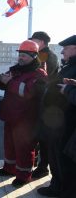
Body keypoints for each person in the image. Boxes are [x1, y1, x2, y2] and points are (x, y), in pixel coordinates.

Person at [0, 40, 47, 187]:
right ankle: (10, 168)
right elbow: (4, 83)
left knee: (24, 149)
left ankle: (24, 176)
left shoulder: (39, 73)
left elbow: (29, 92)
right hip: (11, 115)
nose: (21, 58)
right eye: (20, 54)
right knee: (9, 145)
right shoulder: (16, 69)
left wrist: (10, 82)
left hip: (26, 120)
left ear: (33, 56)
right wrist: (0, 80)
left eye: (24, 55)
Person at [37, 35, 76, 197]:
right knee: (54, 154)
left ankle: (62, 189)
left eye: (66, 48)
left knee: (62, 158)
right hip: (56, 119)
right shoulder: (68, 66)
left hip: (66, 121)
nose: (62, 51)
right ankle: (57, 185)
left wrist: (67, 90)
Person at [29, 31, 60, 179]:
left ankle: (43, 168)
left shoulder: (47, 56)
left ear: (41, 42)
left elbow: (45, 79)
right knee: (39, 136)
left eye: (34, 40)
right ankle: (37, 164)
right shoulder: (42, 55)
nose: (32, 42)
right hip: (40, 102)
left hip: (47, 104)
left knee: (45, 138)